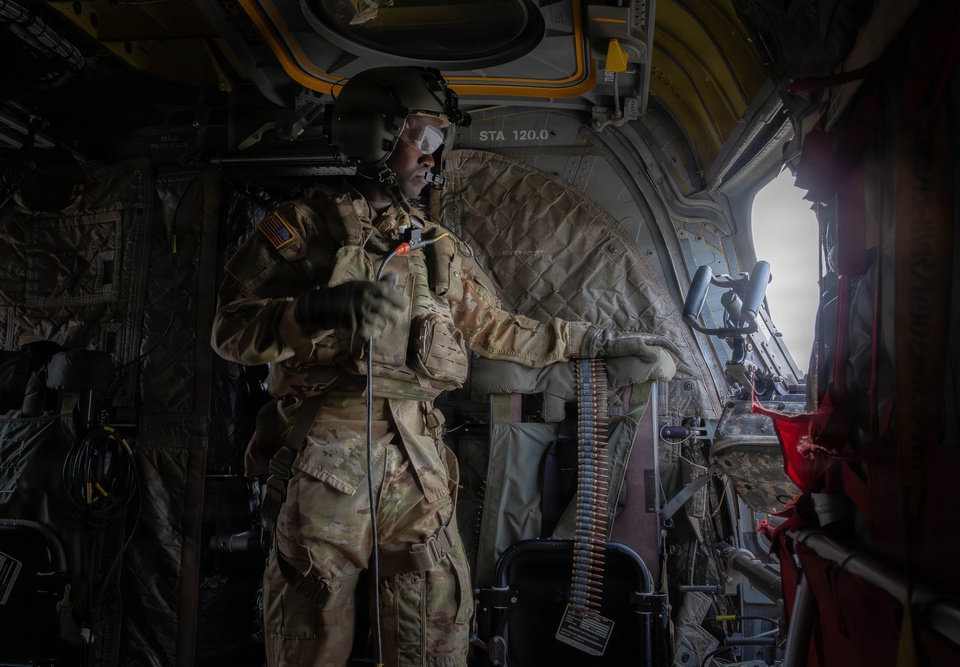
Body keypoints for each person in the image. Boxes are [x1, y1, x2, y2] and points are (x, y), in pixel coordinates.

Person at [211, 66, 676, 667]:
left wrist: (602, 342)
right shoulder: (299, 231)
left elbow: (502, 329)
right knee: (309, 631)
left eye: (438, 142)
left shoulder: (433, 246)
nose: (434, 157)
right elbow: (229, 331)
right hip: (324, 457)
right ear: (379, 136)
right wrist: (316, 308)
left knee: (435, 626)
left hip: (417, 460)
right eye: (424, 138)